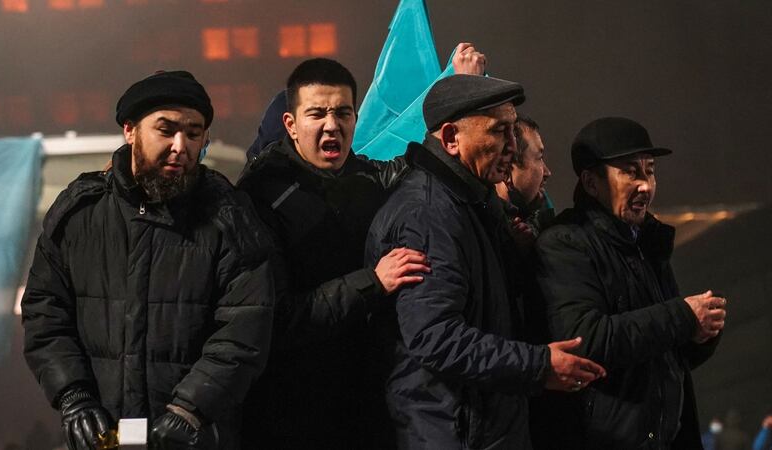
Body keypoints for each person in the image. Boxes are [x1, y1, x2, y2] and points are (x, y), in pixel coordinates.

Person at [236, 45, 487, 450]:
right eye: (317, 114)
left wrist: (461, 88)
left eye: (343, 113)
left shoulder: (368, 179)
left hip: (367, 405)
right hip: (291, 413)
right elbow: (275, 319)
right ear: (291, 123)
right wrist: (372, 282)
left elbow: (433, 160)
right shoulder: (258, 196)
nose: (332, 125)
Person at [22, 71, 276, 450]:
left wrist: (190, 410)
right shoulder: (80, 214)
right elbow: (45, 312)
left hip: (196, 438)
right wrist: (73, 395)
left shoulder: (229, 216)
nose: (180, 146)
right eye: (166, 129)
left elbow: (245, 327)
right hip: (102, 438)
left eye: (193, 133)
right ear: (130, 130)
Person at [365, 74, 607, 449]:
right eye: (499, 132)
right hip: (451, 434)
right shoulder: (427, 215)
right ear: (450, 138)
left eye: (513, 132)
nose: (512, 146)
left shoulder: (470, 204)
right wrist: (539, 365)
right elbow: (434, 337)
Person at [534, 117, 726, 449]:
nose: (646, 185)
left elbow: (663, 354)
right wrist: (681, 316)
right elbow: (585, 340)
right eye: (631, 172)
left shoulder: (647, 244)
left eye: (650, 170)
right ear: (591, 183)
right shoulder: (565, 243)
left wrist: (700, 334)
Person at [496, 115, 554, 252]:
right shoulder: (483, 230)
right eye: (539, 158)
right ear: (506, 171)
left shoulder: (542, 212)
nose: (547, 172)